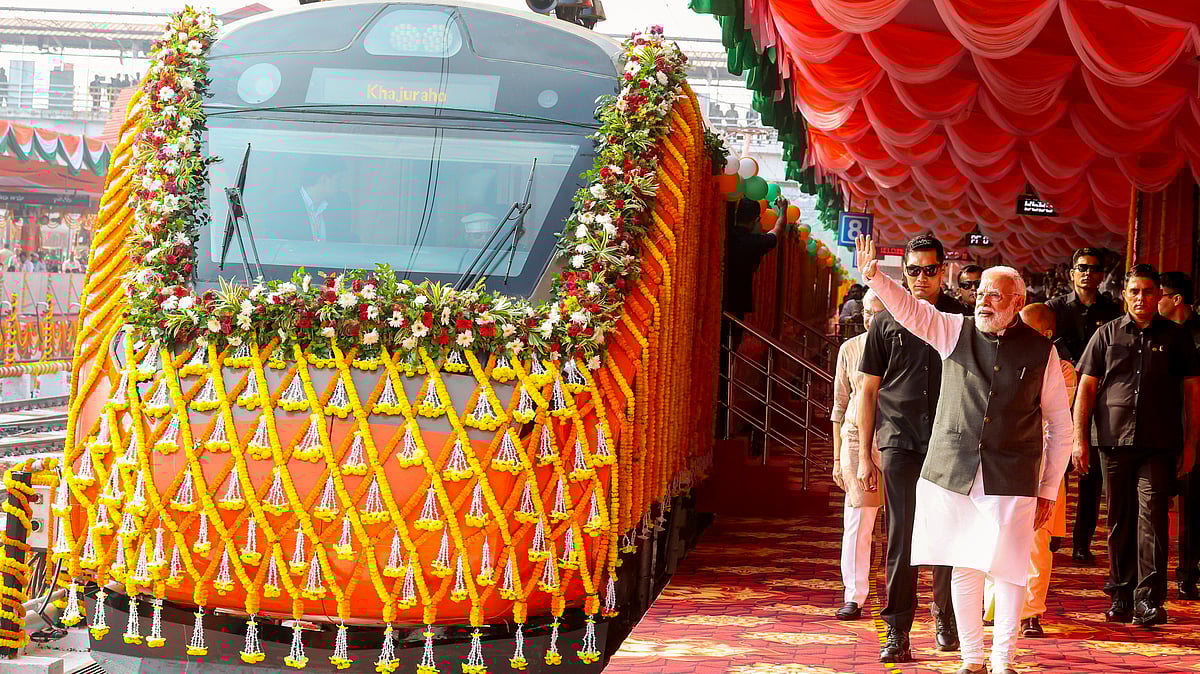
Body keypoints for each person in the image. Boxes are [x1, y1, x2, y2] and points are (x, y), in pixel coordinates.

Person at [855, 235, 1072, 674]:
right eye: (980, 293)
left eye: (995, 295)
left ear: (1016, 302)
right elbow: (911, 310)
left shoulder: (1041, 351)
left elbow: (1060, 427)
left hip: (1012, 475)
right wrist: (877, 277)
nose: (984, 301)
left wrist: (1048, 488)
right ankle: (972, 659)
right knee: (965, 567)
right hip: (951, 470)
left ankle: (1003, 660)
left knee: (1009, 570)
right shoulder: (954, 329)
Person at [857, 233, 965, 663]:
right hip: (900, 442)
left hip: (949, 442)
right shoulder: (885, 321)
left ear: (944, 271)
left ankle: (946, 615)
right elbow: (868, 391)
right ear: (903, 272)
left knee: (949, 533)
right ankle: (897, 629)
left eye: (930, 269)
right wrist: (865, 453)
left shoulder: (961, 319)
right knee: (902, 536)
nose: (922, 278)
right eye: (914, 270)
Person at [1074, 264, 1200, 626]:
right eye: (1134, 292)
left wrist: (1191, 444)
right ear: (1124, 296)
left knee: (1153, 520)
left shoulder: (1176, 338)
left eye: (1148, 291)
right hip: (1113, 442)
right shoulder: (1106, 335)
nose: (1141, 298)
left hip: (1159, 443)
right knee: (1118, 520)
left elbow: (1192, 393)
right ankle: (1121, 595)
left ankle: (1149, 600)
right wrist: (1079, 439)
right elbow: (1086, 388)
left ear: (1158, 295)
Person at [1047, 247, 1123, 565]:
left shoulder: (1114, 310)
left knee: (1090, 474)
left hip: (1097, 398)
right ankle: (1051, 532)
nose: (1087, 273)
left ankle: (1082, 541)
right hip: (1059, 396)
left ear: (1101, 275)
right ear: (1072, 273)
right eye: (1082, 267)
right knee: (1055, 470)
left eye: (1093, 269)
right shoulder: (1055, 309)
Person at [830, 289, 885, 621]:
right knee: (858, 520)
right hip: (854, 439)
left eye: (878, 313)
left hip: (896, 440)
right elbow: (838, 406)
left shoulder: (904, 345)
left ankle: (902, 595)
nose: (871, 319)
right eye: (866, 313)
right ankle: (854, 594)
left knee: (904, 523)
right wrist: (838, 458)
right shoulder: (850, 349)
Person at [1160, 271, 1200, 599]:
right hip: (1163, 426)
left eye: (1157, 294)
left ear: (1175, 299)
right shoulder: (1158, 334)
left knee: (1195, 505)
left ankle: (1189, 573)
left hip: (1196, 426)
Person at [722, 198, 781, 351]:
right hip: (737, 303)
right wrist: (783, 213)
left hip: (716, 300)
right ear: (756, 220)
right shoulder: (755, 242)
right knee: (730, 347)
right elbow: (776, 232)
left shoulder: (724, 232)